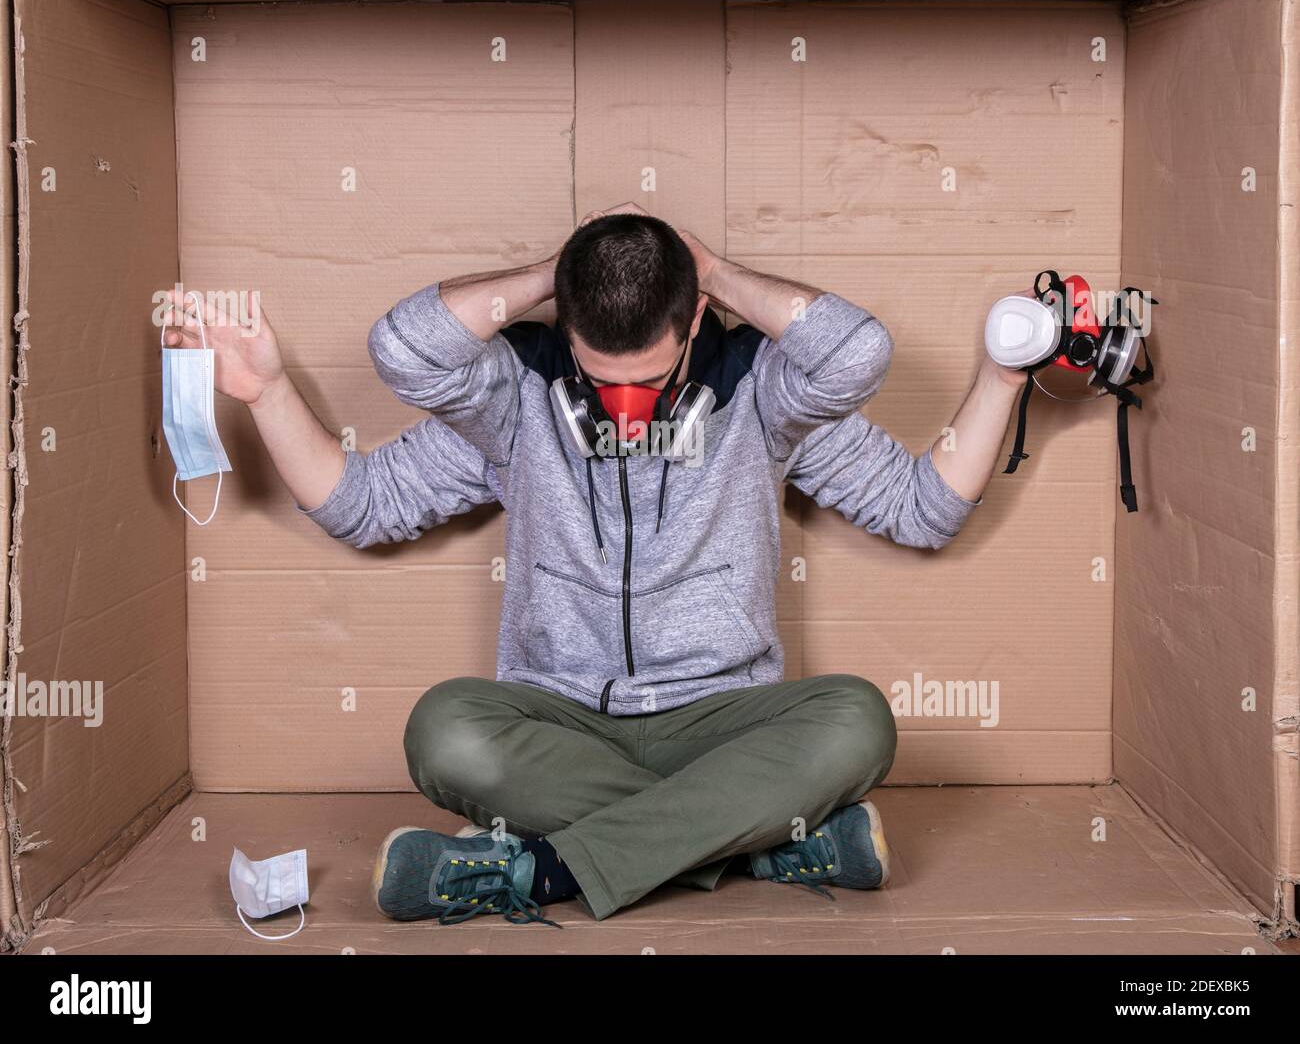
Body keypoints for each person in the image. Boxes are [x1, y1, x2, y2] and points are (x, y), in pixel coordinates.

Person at [161, 203, 1027, 926]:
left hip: (722, 724)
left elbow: (907, 470)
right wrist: (269, 390)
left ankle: (542, 870)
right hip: (561, 724)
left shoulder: (767, 397)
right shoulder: (516, 404)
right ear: (567, 334)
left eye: (650, 382)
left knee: (859, 719)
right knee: (444, 729)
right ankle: (754, 840)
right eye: (601, 377)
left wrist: (714, 272)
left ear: (693, 325)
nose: (626, 410)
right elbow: (378, 439)